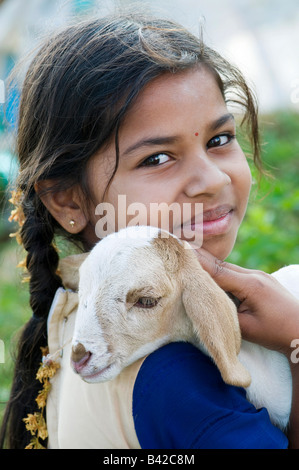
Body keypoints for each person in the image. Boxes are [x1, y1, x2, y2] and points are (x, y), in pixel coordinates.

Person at [1, 11, 299, 449]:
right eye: (157, 158)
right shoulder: (176, 376)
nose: (214, 180)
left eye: (218, 140)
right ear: (68, 201)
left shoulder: (73, 323)